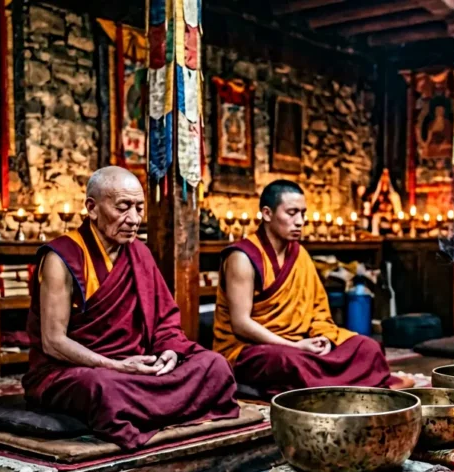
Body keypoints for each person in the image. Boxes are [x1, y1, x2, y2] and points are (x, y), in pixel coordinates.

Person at [22, 166, 239, 450]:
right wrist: (116, 366)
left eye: (139, 208)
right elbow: (53, 342)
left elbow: (165, 322)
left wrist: (169, 352)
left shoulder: (140, 253)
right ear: (92, 207)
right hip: (77, 370)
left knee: (215, 365)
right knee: (104, 389)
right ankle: (160, 405)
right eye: (123, 208)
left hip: (138, 365)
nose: (134, 219)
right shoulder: (62, 258)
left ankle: (147, 405)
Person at [213, 180, 403, 398]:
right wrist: (296, 345)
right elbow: (241, 325)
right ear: (266, 214)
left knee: (367, 348)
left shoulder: (299, 254)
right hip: (251, 348)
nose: (300, 221)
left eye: (303, 213)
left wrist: (323, 338)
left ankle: (321, 386)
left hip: (301, 343)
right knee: (288, 362)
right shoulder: (242, 257)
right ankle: (330, 385)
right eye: (292, 213)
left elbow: (317, 310)